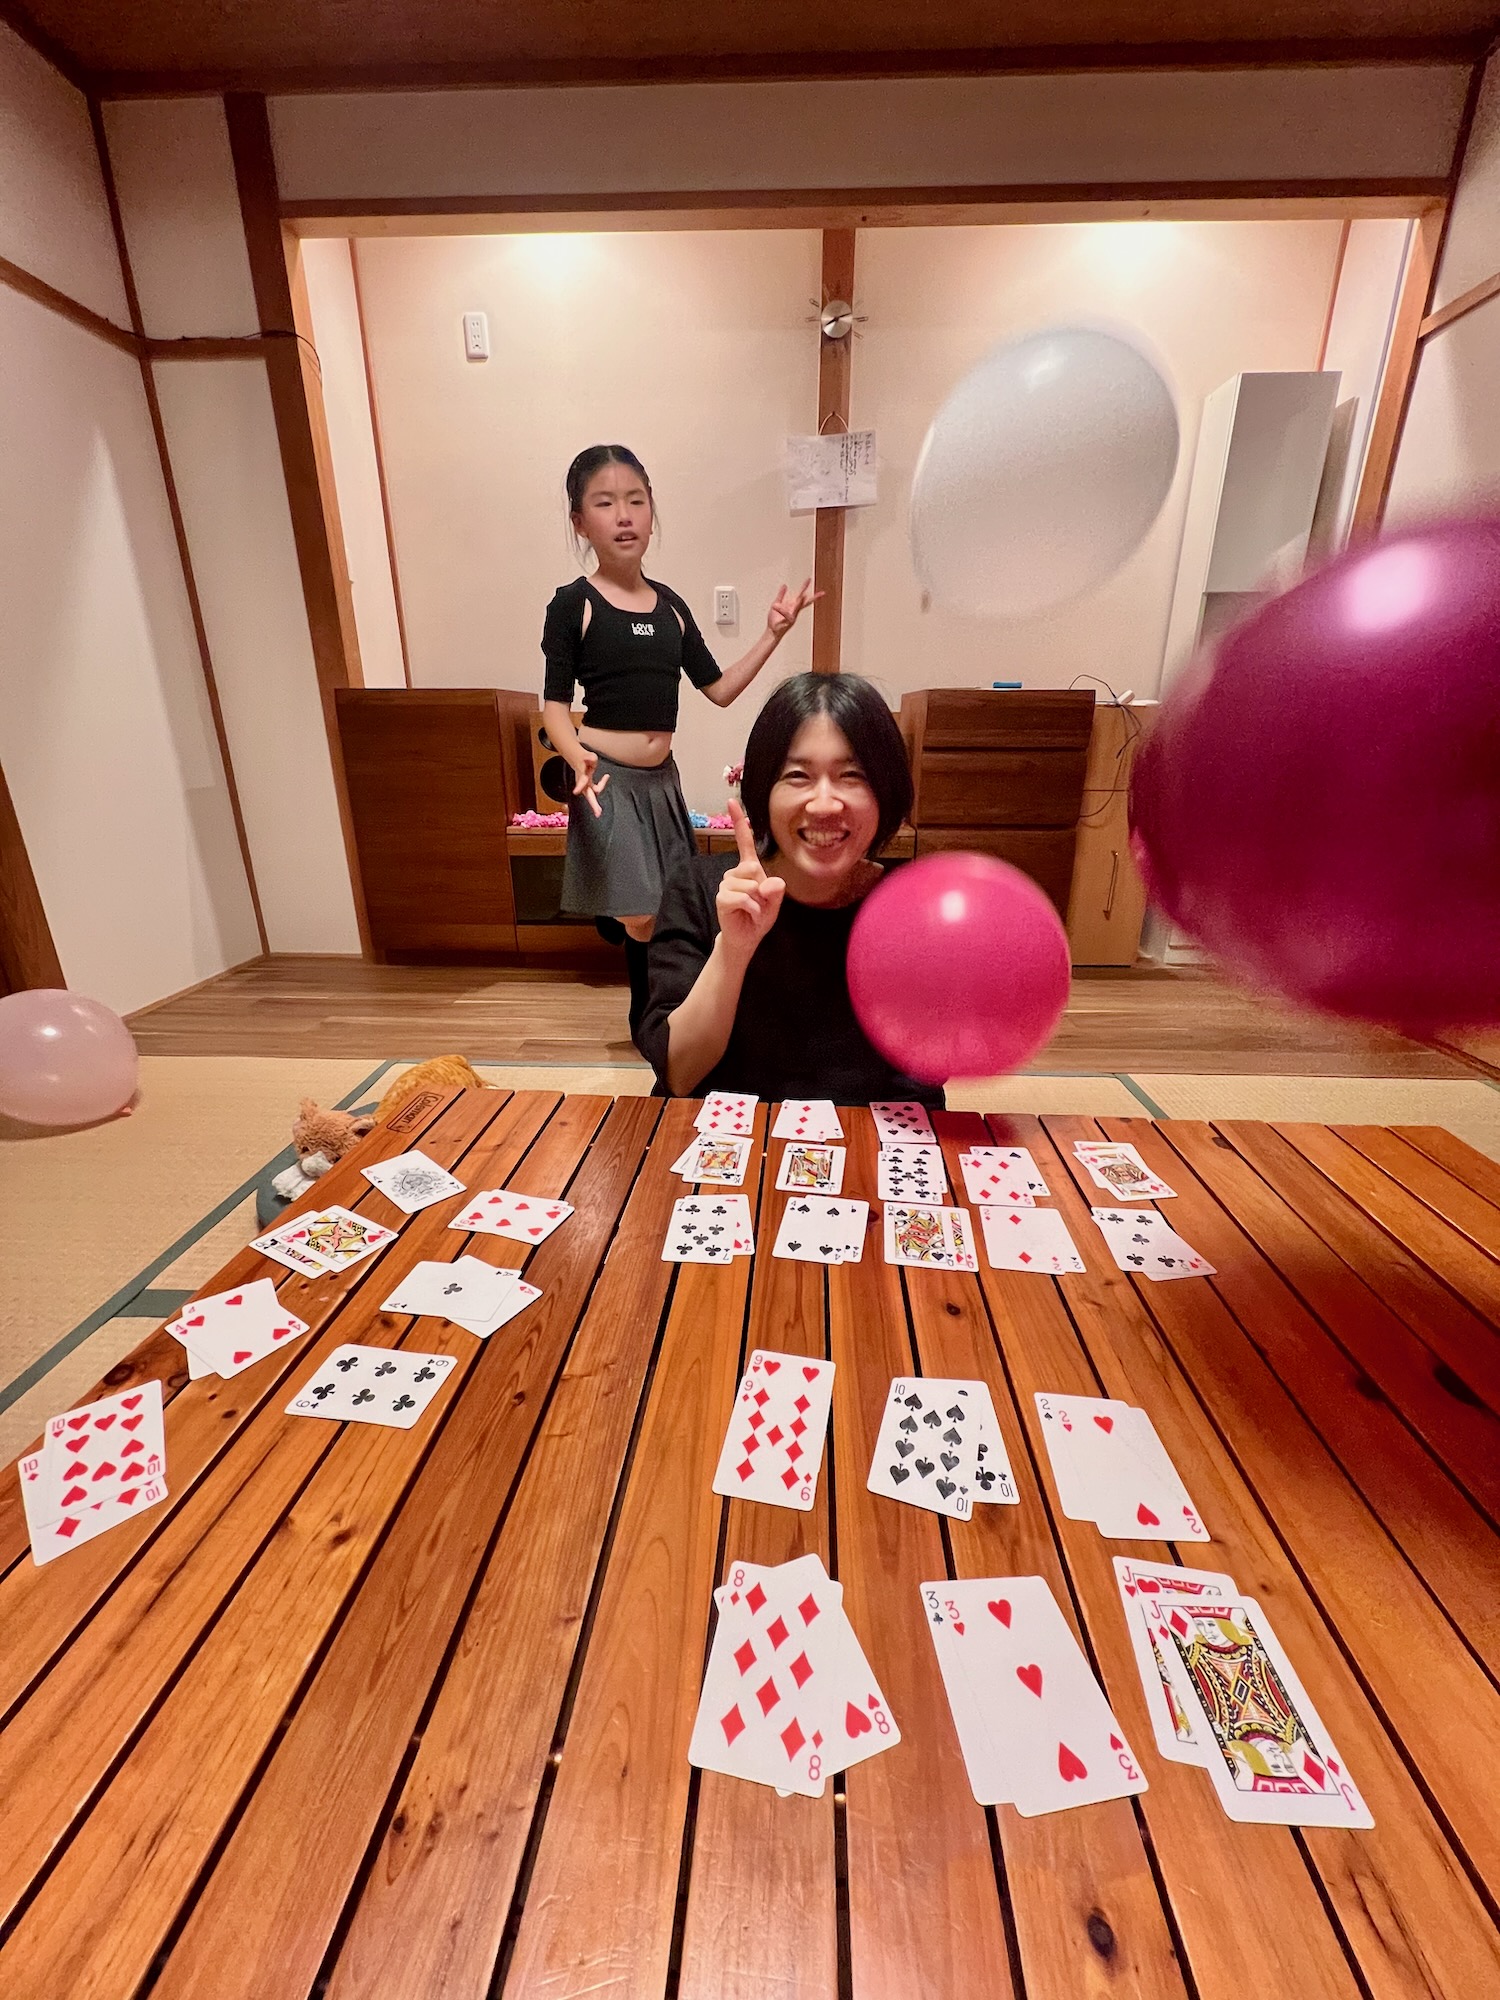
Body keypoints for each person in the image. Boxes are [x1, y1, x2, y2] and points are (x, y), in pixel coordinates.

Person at [540, 444, 818, 1031]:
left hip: (662, 784)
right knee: (642, 915)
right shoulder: (573, 604)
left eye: (635, 501)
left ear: (651, 510)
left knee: (667, 907)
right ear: (580, 522)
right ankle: (652, 1020)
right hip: (606, 781)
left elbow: (719, 689)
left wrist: (773, 634)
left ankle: (655, 1007)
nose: (624, 516)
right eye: (605, 503)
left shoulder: (671, 608)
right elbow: (555, 706)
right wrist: (577, 757)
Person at [638, 672, 944, 1108]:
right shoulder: (701, 889)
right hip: (724, 1141)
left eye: (852, 775)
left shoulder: (913, 907)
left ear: (886, 789)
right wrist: (734, 949)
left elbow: (921, 1090)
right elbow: (680, 1076)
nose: (824, 804)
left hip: (865, 1142)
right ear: (764, 788)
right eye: (798, 775)